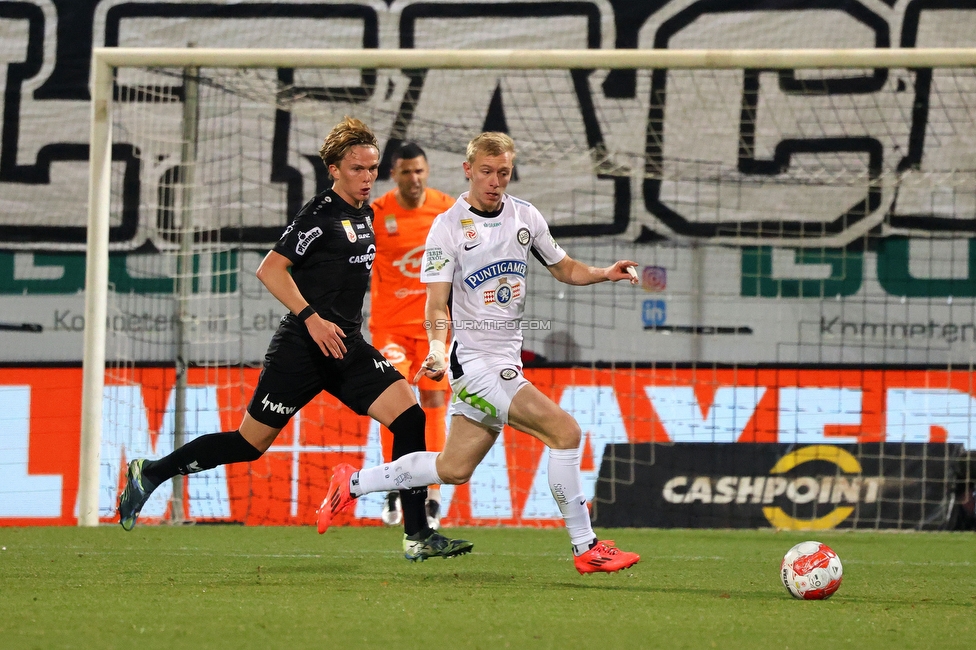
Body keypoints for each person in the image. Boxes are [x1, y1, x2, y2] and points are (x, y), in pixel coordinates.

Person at [117, 117, 473, 562]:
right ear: (334, 170)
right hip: (302, 349)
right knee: (249, 445)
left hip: (345, 347)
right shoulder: (319, 215)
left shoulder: (366, 213)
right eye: (357, 169)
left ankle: (417, 533)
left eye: (372, 169)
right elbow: (269, 269)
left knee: (409, 418)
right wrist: (311, 318)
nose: (367, 178)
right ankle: (150, 472)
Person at [317, 132, 642, 575]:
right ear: (468, 170)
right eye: (486, 172)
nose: (495, 181)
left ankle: (353, 483)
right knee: (565, 433)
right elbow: (435, 302)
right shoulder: (447, 226)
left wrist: (605, 272)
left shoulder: (525, 215)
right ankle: (586, 546)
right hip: (475, 363)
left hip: (505, 361)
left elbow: (564, 267)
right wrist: (434, 347)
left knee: (452, 469)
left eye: (503, 173)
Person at [369, 142, 454, 529]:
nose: (414, 179)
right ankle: (394, 481)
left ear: (427, 171)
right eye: (406, 172)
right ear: (394, 174)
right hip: (389, 327)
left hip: (433, 326)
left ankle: (432, 493)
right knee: (399, 397)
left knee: (434, 399)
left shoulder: (447, 209)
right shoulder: (377, 214)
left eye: (420, 171)